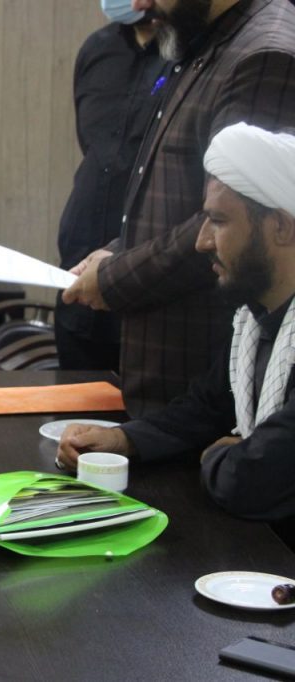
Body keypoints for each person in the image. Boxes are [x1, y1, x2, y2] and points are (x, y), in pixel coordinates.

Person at [62, 0, 295, 417]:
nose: (141, 3)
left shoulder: (264, 53)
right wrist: (118, 250)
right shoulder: (209, 38)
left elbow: (231, 223)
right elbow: (174, 195)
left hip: (204, 376)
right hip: (165, 379)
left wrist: (115, 275)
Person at [57, 123, 295, 532]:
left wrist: (214, 456)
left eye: (218, 220)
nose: (202, 242)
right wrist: (125, 440)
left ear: (281, 227)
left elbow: (251, 480)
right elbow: (205, 409)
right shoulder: (254, 320)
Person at [54, 1, 166, 371]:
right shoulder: (96, 49)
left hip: (147, 272)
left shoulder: (190, 53)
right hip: (79, 258)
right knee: (74, 399)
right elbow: (93, 148)